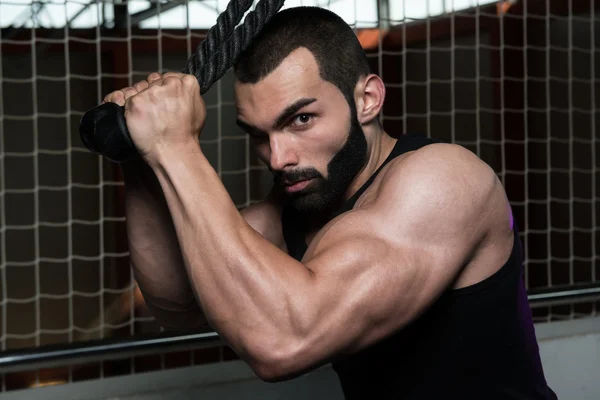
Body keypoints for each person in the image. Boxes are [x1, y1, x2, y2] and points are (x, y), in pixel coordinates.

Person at [103, 6, 557, 400]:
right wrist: (142, 161)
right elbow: (176, 303)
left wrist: (177, 148)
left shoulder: (442, 181)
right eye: (259, 135)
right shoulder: (293, 210)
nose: (279, 158)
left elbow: (284, 341)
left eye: (301, 119)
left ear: (367, 99)